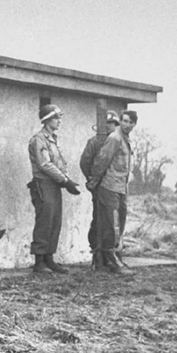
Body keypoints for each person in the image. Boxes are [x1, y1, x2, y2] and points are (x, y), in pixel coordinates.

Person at [27, 104, 80, 275]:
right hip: (43, 184)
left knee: (55, 221)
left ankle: (49, 258)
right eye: (56, 118)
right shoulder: (39, 139)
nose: (59, 121)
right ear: (47, 120)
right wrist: (65, 181)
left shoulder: (52, 139)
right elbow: (44, 164)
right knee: (44, 221)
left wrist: (65, 180)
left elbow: (58, 162)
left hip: (54, 184)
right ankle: (39, 262)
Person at [88, 109, 137, 276]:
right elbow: (102, 159)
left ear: (134, 124)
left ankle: (116, 256)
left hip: (121, 187)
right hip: (109, 186)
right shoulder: (115, 138)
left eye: (131, 122)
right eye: (124, 121)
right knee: (111, 224)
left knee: (120, 222)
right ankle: (111, 260)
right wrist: (94, 181)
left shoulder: (126, 139)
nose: (127, 125)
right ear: (120, 122)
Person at [79, 110, 120, 260]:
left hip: (115, 187)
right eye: (106, 123)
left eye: (112, 123)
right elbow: (85, 162)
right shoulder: (95, 141)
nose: (109, 126)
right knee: (99, 218)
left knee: (113, 220)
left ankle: (111, 252)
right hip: (99, 186)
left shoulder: (118, 141)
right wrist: (92, 179)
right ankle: (97, 252)